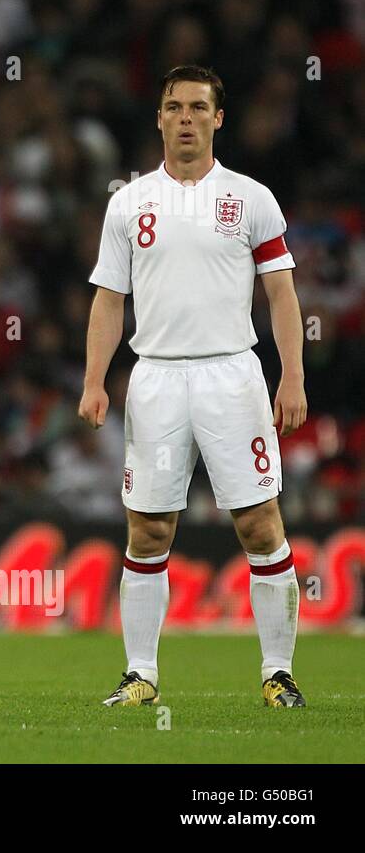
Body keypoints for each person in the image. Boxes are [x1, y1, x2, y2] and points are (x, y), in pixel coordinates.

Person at [80, 65, 307, 708]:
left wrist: (291, 375)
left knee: (260, 524)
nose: (185, 118)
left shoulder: (251, 197)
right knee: (148, 530)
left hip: (233, 373)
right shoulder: (128, 201)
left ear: (217, 118)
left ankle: (278, 672)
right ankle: (140, 674)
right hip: (155, 376)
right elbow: (107, 299)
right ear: (158, 118)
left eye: (197, 108)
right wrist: (95, 380)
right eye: (174, 107)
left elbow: (281, 293)